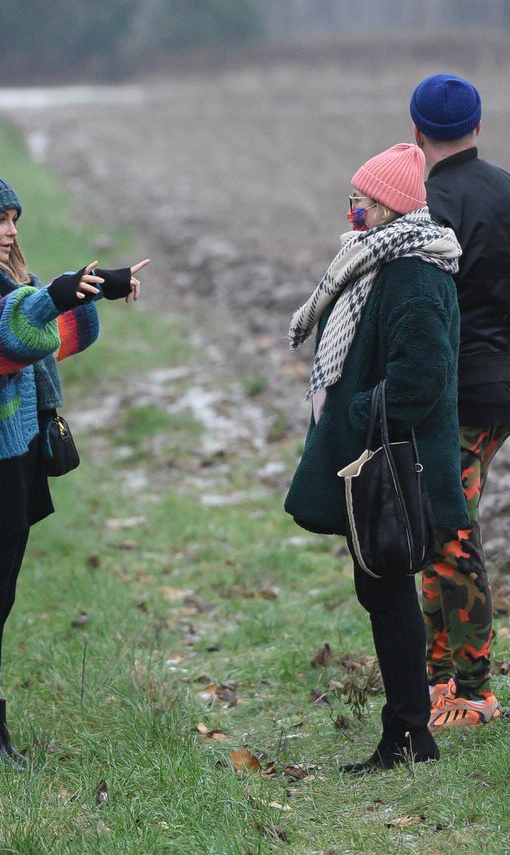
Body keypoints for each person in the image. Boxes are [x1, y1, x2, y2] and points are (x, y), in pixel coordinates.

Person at [0, 164, 149, 765]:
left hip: (12, 454)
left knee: (0, 598)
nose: (10, 232)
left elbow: (50, 337)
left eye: (14, 220)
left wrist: (97, 288)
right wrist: (51, 295)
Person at [285, 143, 465, 773]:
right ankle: (408, 731)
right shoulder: (375, 261)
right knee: (383, 592)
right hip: (388, 461)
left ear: (388, 207)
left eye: (360, 202)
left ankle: (409, 736)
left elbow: (421, 378)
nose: (352, 212)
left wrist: (356, 417)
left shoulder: (413, 273)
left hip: (399, 466)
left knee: (388, 595)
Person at [409, 73, 510, 730]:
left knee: (449, 533)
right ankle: (438, 675)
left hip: (454, 397)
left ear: (417, 132)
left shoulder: (422, 206)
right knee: (437, 523)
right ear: (477, 126)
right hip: (501, 390)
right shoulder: (507, 190)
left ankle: (476, 689)